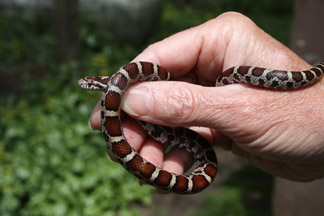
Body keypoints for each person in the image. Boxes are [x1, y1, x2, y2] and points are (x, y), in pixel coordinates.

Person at [88, 12, 324, 183]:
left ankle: (317, 70)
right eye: (89, 83)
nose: (86, 84)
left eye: (89, 83)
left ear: (101, 84)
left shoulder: (121, 87)